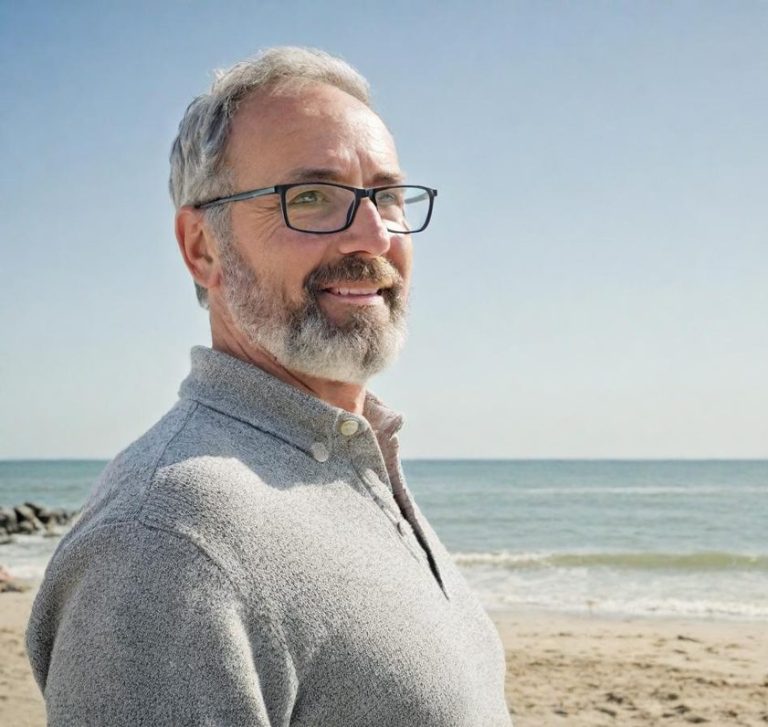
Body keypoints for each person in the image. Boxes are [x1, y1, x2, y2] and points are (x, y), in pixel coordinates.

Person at [26, 47, 512, 726]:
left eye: (388, 196)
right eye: (312, 197)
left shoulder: (348, 461)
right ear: (203, 247)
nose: (373, 234)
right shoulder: (169, 540)